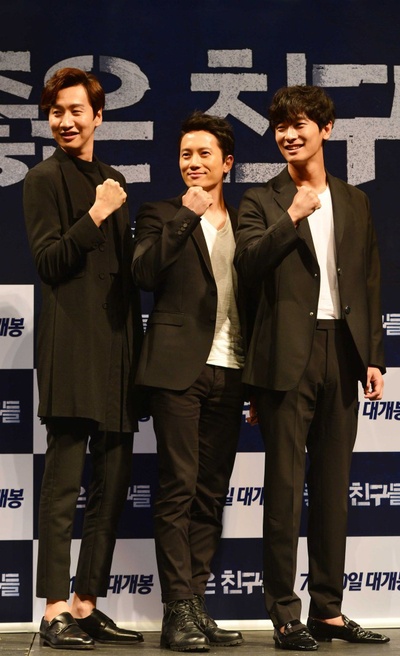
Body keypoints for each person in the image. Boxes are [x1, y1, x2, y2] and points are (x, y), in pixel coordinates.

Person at [234, 85, 390, 651]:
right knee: (283, 489)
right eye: (280, 126)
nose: (289, 135)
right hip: (284, 356)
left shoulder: (355, 200)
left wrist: (373, 355)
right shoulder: (261, 199)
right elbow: (248, 265)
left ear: (326, 129)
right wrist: (292, 217)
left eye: (299, 124)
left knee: (332, 489)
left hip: (342, 353)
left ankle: (329, 609)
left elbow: (368, 280)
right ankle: (284, 613)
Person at [23, 67, 145, 650]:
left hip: (118, 350)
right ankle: (53, 611)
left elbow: (125, 276)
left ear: (98, 116)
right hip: (71, 348)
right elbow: (49, 262)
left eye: (76, 111)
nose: (66, 121)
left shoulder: (113, 179)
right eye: (57, 112)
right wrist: (95, 215)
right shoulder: (42, 179)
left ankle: (85, 603)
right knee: (63, 485)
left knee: (112, 485)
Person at [132, 111, 244, 651]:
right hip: (177, 369)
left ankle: (196, 604)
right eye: (185, 155)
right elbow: (144, 274)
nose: (193, 163)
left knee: (210, 493)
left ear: (227, 163)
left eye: (204, 154)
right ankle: (176, 609)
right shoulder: (160, 213)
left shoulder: (247, 221)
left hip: (233, 367)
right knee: (178, 487)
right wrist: (186, 217)